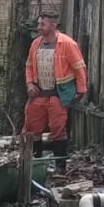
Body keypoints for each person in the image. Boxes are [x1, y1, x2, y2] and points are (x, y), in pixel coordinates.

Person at [23, 12, 88, 173]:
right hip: (39, 94)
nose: (39, 27)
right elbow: (29, 66)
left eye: (42, 24)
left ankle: (60, 168)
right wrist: (29, 83)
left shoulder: (67, 44)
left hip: (58, 95)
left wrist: (81, 90)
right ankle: (35, 166)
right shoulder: (35, 44)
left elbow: (79, 68)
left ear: (53, 25)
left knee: (58, 130)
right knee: (32, 129)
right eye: (38, 24)